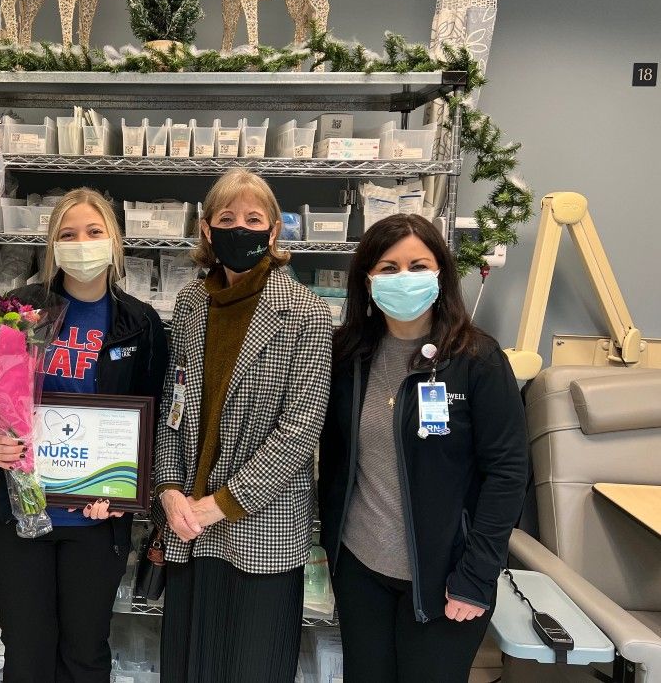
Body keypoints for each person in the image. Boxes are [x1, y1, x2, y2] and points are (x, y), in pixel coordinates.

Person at [318, 213, 529, 683]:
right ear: (367, 280)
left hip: (446, 579)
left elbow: (509, 473)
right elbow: (333, 459)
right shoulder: (347, 355)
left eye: (418, 265)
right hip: (362, 571)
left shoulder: (477, 359)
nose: (404, 278)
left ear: (441, 273)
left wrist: (476, 576)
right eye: (389, 268)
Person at [0, 188, 168, 683]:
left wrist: (124, 496)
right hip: (20, 513)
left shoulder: (139, 323)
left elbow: (153, 417)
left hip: (94, 522)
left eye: (94, 232)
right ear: (52, 246)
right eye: (68, 234)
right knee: (27, 651)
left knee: (85, 652)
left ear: (114, 242)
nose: (82, 244)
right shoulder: (16, 310)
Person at [154, 168, 333, 683]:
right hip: (188, 523)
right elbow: (174, 405)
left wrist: (218, 505)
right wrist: (168, 490)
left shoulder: (306, 313)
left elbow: (300, 430)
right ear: (207, 231)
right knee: (189, 665)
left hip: (260, 525)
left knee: (252, 666)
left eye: (253, 219)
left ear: (274, 232)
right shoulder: (192, 304)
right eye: (226, 218)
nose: (240, 228)